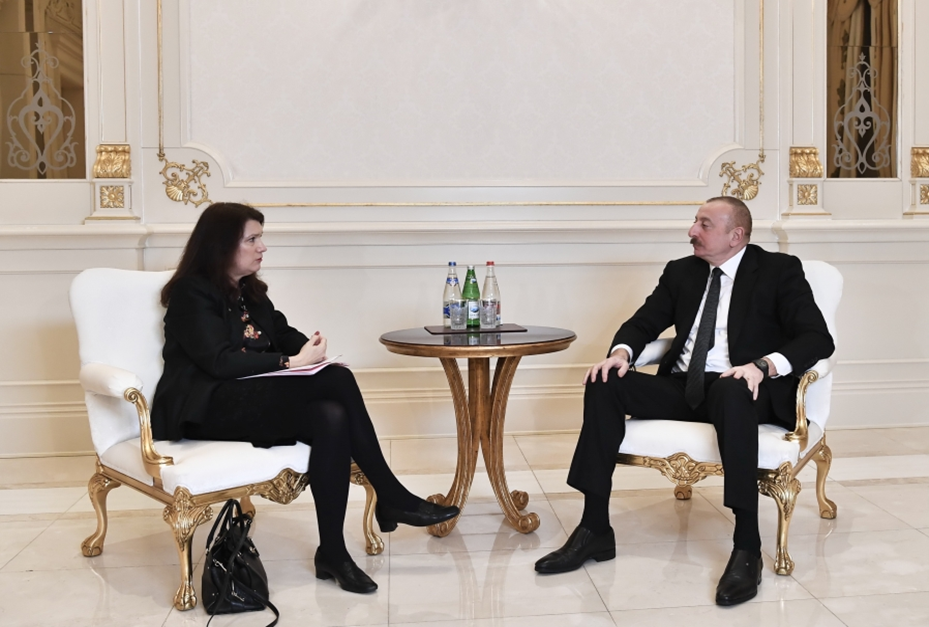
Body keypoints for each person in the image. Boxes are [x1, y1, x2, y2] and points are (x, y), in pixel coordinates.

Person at [534, 196, 834, 606]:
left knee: (730, 389)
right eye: (695, 222)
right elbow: (643, 322)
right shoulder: (681, 272)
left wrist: (762, 367)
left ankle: (747, 546)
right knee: (605, 382)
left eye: (704, 224)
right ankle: (594, 529)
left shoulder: (778, 270)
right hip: (685, 387)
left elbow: (817, 338)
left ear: (736, 235)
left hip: (744, 389)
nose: (692, 231)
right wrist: (621, 354)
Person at [151, 202, 459, 595]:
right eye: (252, 239)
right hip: (205, 408)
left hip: (248, 400)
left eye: (261, 238)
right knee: (337, 380)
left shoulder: (249, 292)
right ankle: (391, 494)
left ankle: (333, 553)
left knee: (330, 414)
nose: (263, 247)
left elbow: (281, 333)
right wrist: (291, 362)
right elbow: (218, 361)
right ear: (221, 245)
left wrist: (310, 349)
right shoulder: (191, 293)